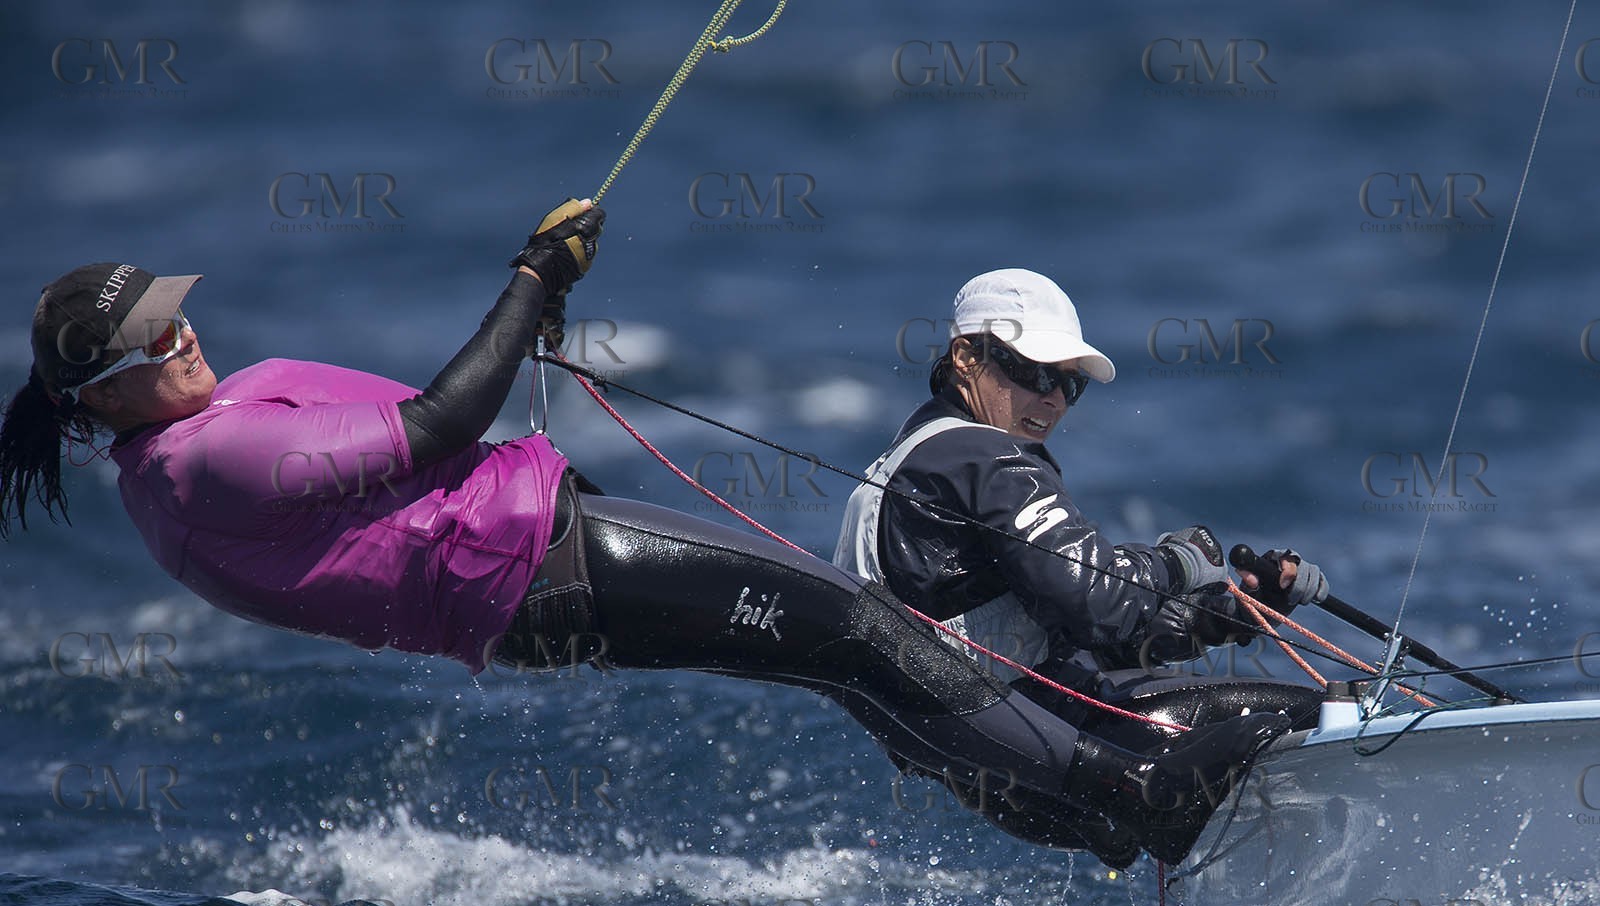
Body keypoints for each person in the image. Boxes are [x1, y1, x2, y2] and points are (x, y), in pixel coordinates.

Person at [1, 209, 1288, 867]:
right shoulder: (200, 459)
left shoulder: (203, 427)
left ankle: (1089, 814)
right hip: (538, 572)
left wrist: (531, 314)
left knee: (844, 653)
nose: (182, 336)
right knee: (855, 630)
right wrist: (533, 282)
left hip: (542, 554)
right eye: (150, 342)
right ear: (95, 398)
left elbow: (407, 452)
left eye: (174, 313)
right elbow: (439, 423)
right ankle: (1125, 790)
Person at [835, 268, 1328, 867]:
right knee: (1315, 714)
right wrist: (1176, 563)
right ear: (965, 358)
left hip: (1014, 772)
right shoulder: (977, 456)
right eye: (1037, 374)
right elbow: (1098, 602)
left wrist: (1230, 615)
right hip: (1049, 742)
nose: (1054, 400)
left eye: (1071, 385)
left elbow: (1086, 635)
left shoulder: (912, 461)